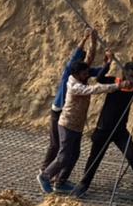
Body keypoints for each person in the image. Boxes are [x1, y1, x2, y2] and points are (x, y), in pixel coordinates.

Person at [72, 61, 133, 200]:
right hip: (103, 129)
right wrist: (108, 63)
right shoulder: (113, 82)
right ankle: (84, 185)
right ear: (123, 73)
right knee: (94, 158)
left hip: (120, 132)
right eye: (129, 76)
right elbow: (99, 78)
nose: (131, 79)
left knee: (132, 157)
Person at [38, 59, 117, 194]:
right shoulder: (74, 85)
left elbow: (97, 73)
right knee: (64, 156)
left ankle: (60, 181)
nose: (87, 76)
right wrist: (116, 86)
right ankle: (45, 176)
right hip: (67, 125)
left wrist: (107, 63)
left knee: (74, 154)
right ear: (76, 74)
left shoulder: (81, 79)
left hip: (77, 126)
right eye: (84, 73)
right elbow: (93, 89)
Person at [42, 29, 109, 175]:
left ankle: (57, 177)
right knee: (56, 145)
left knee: (69, 151)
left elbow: (99, 70)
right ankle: (45, 171)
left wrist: (104, 58)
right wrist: (85, 39)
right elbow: (80, 54)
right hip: (59, 111)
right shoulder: (70, 72)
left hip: (70, 115)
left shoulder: (84, 73)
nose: (87, 70)